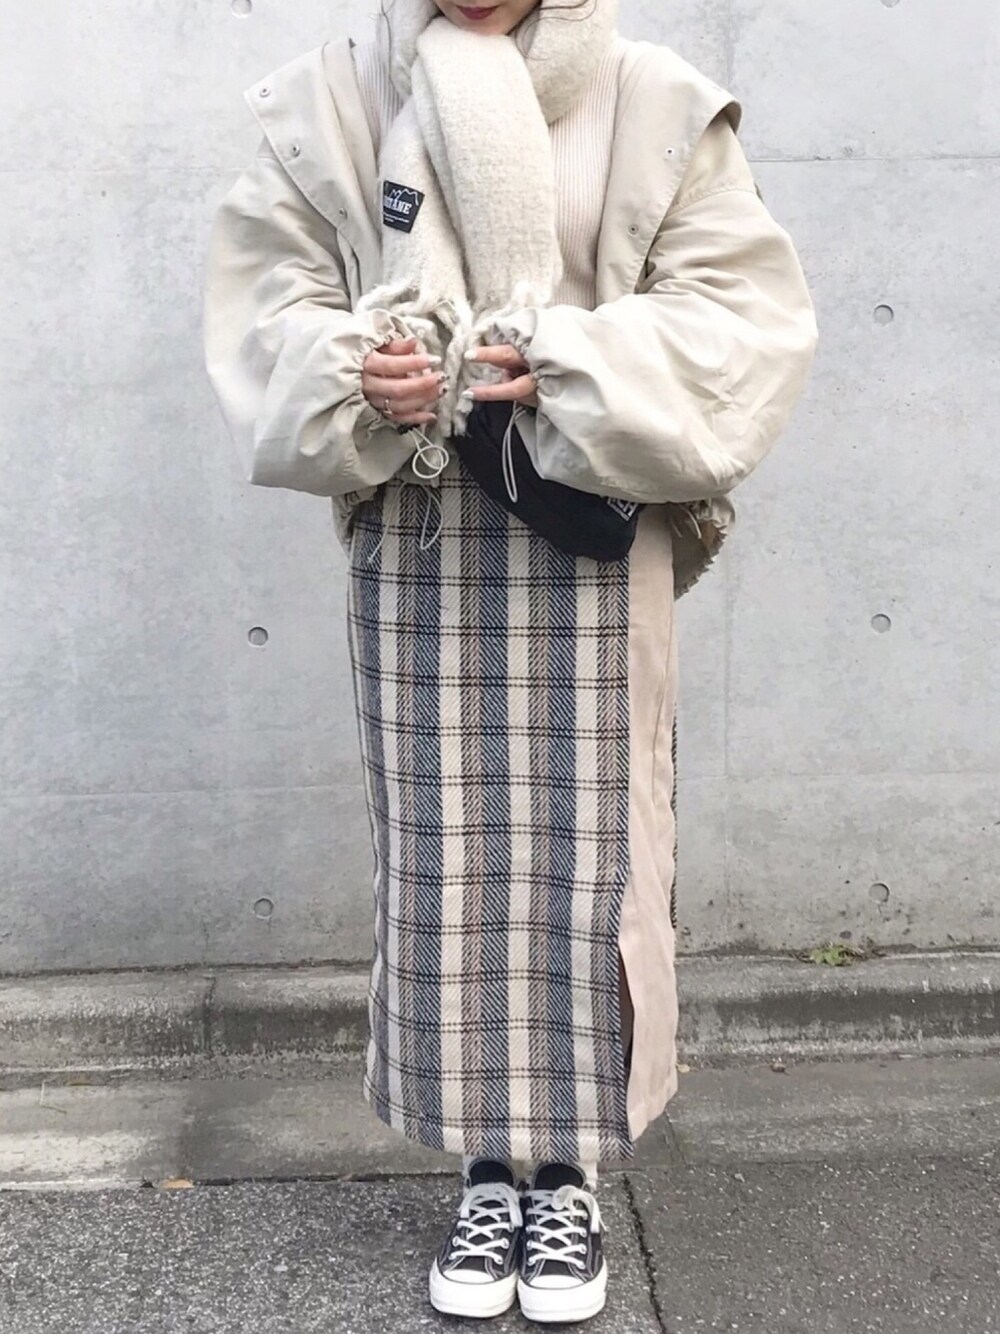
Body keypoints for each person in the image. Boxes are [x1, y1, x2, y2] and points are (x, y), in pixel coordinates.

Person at [202, 0, 818, 1322]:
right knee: (449, 863)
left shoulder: (655, 101)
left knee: (595, 863)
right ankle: (487, 1168)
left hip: (590, 528)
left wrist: (567, 357)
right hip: (422, 525)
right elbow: (268, 305)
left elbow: (744, 318)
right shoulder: (331, 99)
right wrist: (358, 366)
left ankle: (570, 1176)